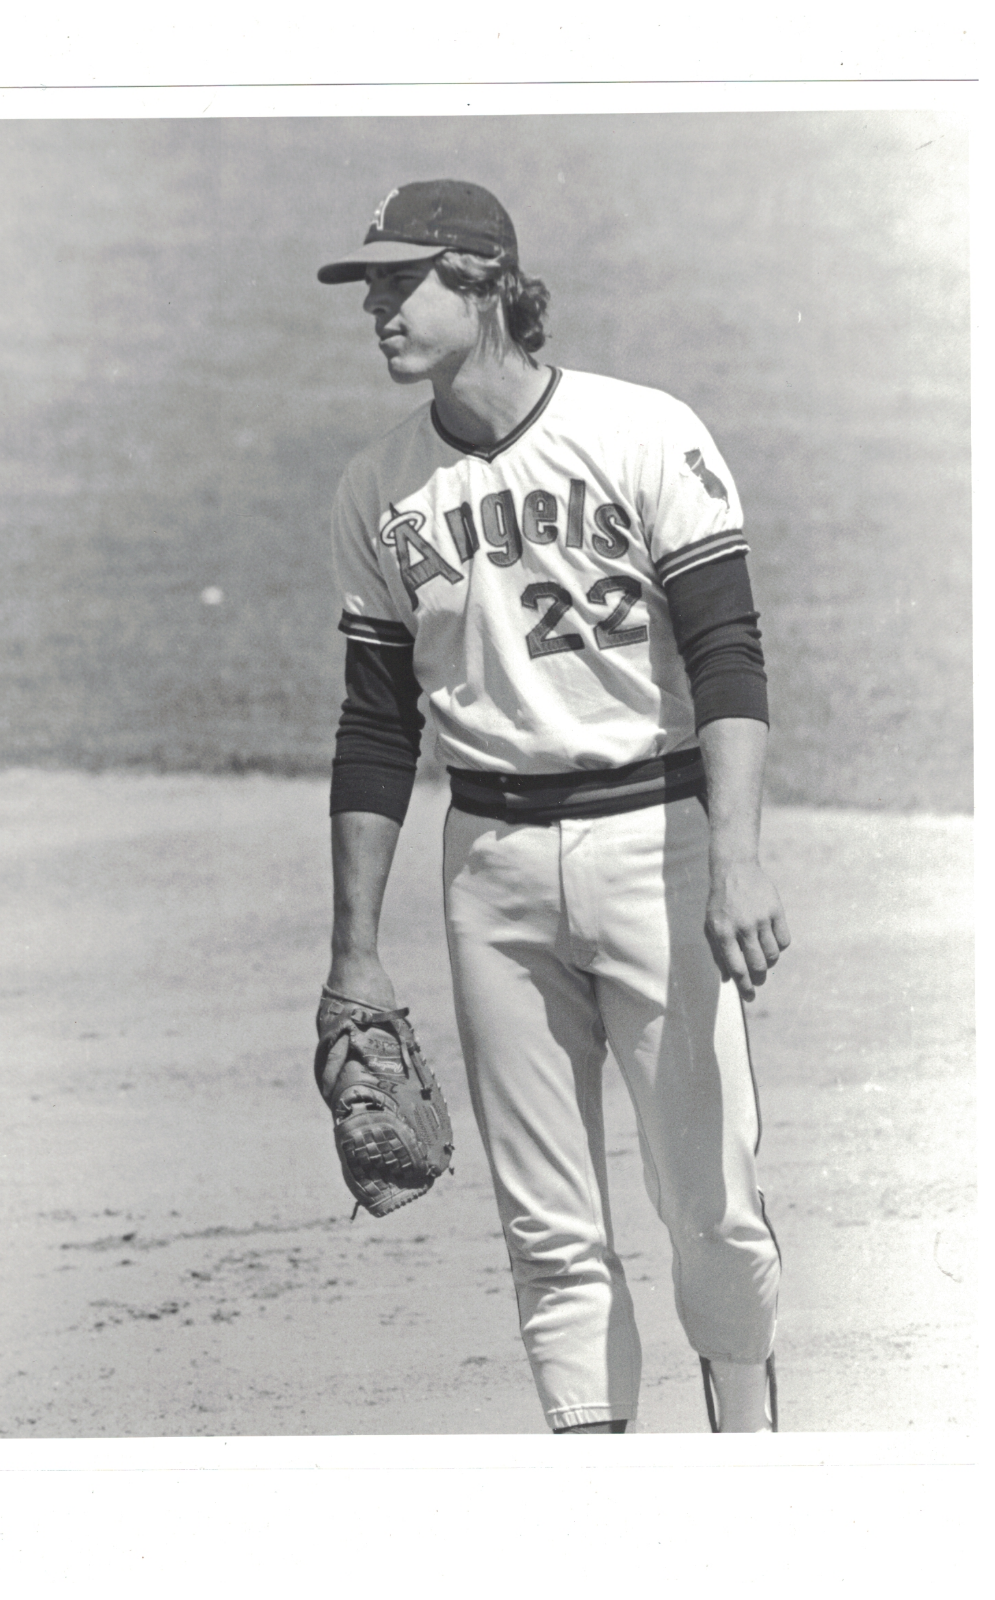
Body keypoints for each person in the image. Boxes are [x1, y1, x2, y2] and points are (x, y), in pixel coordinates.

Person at [316, 179, 790, 1433]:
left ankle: (753, 1464)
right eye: (368, 284)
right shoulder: (379, 487)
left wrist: (736, 857)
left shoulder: (642, 433)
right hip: (491, 868)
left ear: (482, 284)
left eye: (399, 279)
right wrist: (353, 953)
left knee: (716, 1212)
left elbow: (728, 654)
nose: (377, 306)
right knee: (550, 1233)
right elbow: (374, 733)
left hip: (659, 847)